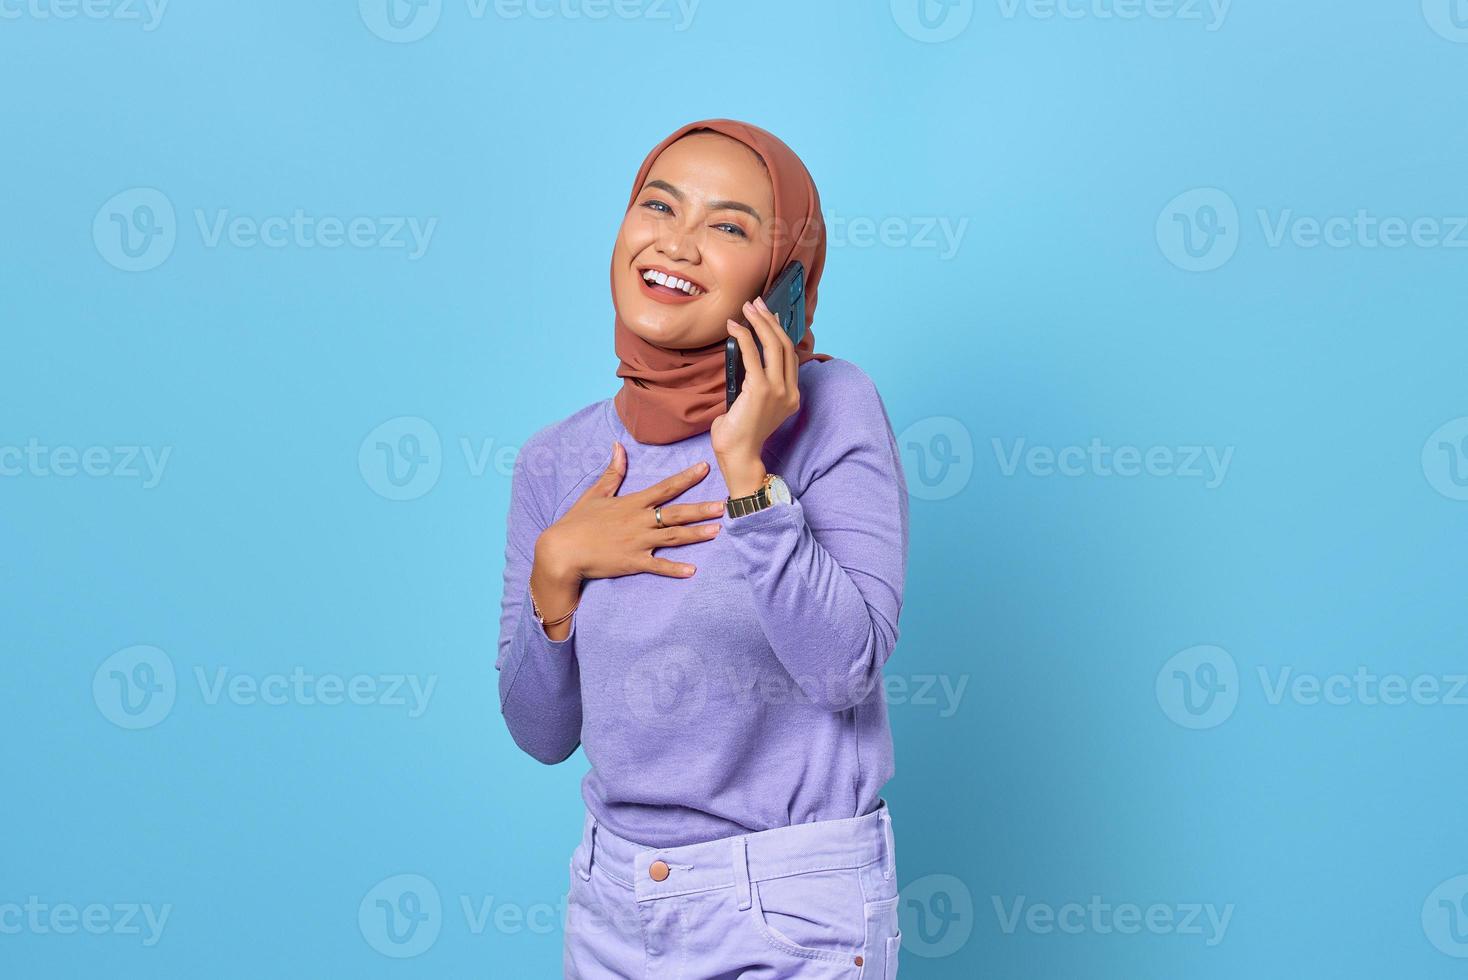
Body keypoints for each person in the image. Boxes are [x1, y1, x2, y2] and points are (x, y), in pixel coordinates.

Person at [495, 118, 910, 978]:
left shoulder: (834, 410)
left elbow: (844, 670)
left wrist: (747, 471)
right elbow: (541, 733)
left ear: (781, 278)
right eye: (658, 205)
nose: (675, 243)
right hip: (613, 897)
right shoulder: (555, 460)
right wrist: (555, 571)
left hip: (791, 903)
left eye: (727, 226)